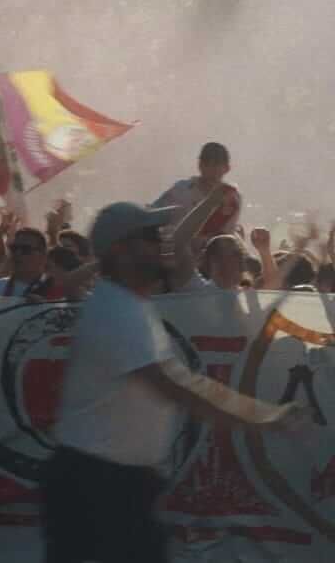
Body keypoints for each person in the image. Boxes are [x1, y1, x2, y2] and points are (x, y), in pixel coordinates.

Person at [41, 201, 309, 563]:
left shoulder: (130, 305)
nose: (162, 243)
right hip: (96, 485)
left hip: (115, 482)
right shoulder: (117, 311)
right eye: (151, 236)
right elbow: (176, 387)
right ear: (121, 250)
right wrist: (263, 416)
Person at [153, 141, 241, 240]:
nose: (211, 169)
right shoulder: (181, 190)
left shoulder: (232, 198)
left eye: (216, 164)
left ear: (227, 168)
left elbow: (225, 236)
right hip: (176, 244)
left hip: (210, 247)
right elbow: (152, 213)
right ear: (200, 165)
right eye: (207, 163)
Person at [0, 227, 49, 298]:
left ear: (43, 255)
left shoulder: (53, 289)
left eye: (26, 249)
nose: (17, 253)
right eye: (14, 248)